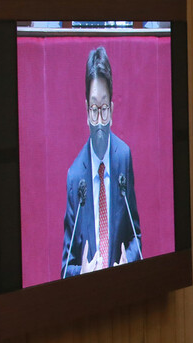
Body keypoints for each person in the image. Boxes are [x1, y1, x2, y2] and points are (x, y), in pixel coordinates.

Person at [62, 46, 142, 278]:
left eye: (104, 109)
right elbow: (66, 266)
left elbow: (136, 236)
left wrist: (129, 260)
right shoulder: (75, 177)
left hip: (122, 285)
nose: (99, 120)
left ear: (112, 111)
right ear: (86, 112)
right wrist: (83, 272)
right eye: (94, 110)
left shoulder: (123, 157)